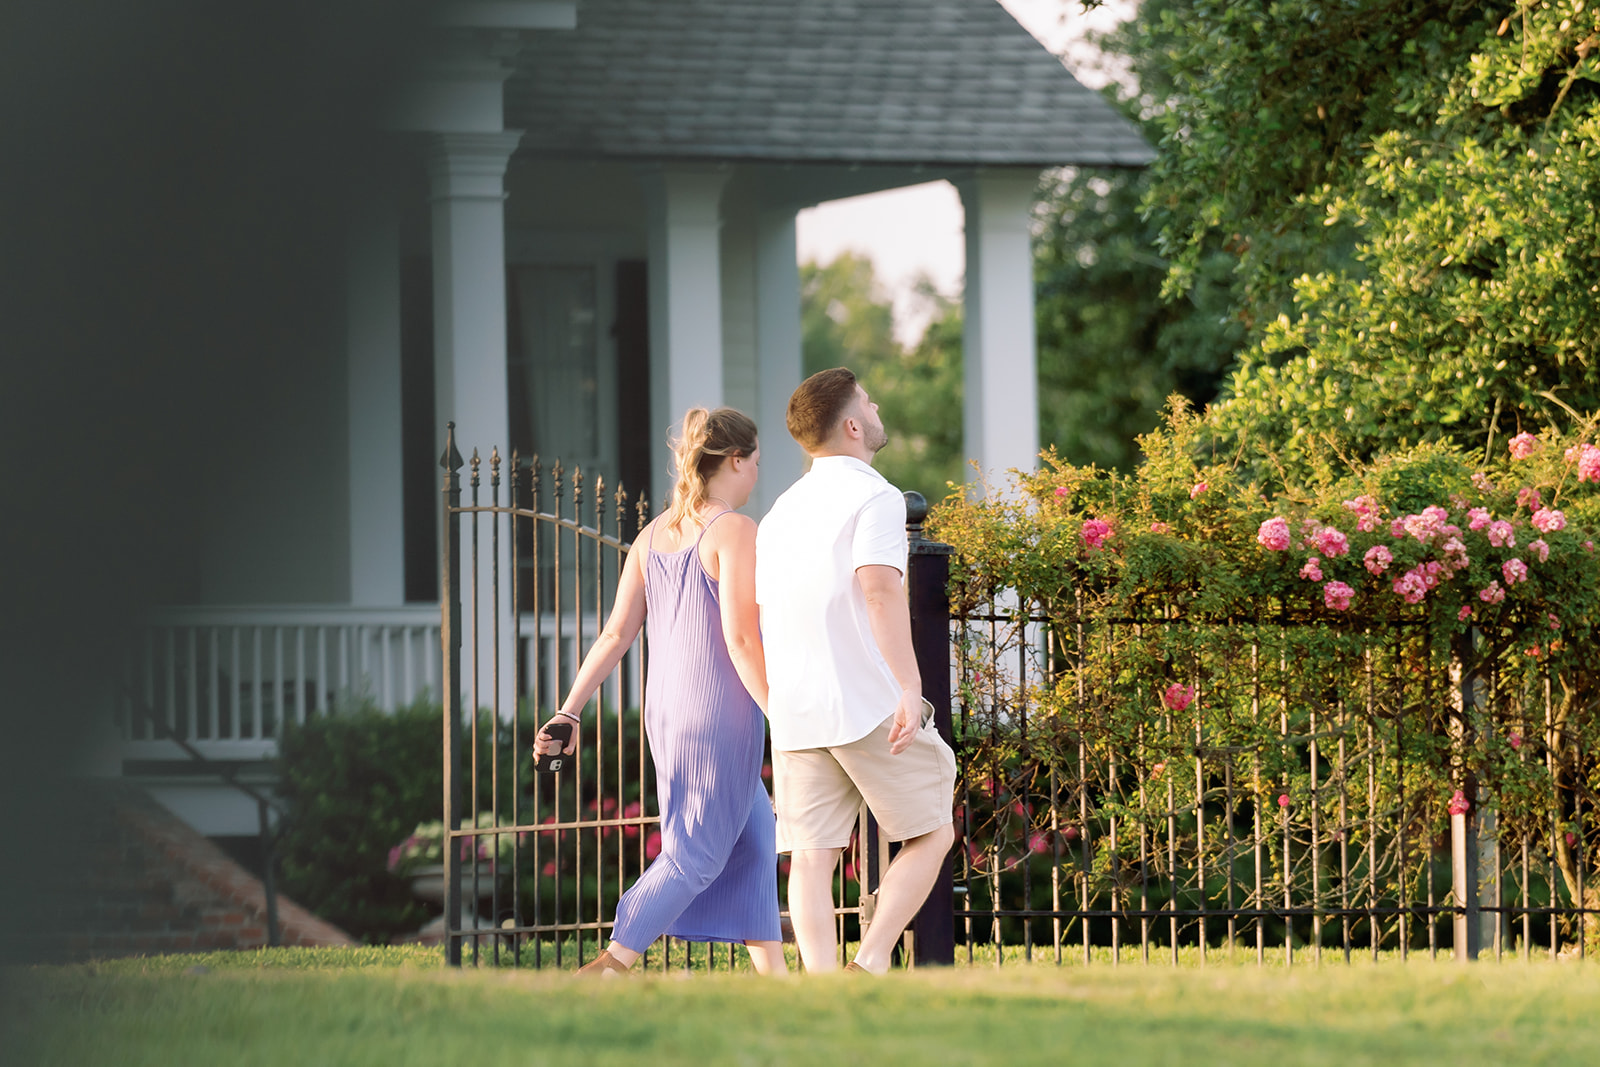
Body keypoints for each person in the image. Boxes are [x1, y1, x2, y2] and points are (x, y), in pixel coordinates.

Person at [533, 407, 786, 977]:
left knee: (754, 838)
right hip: (719, 714)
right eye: (755, 464)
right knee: (693, 854)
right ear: (734, 461)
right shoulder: (735, 530)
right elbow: (743, 639)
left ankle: (780, 986)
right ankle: (611, 965)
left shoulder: (653, 535)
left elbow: (615, 634)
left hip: (669, 714)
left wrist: (567, 712)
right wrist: (784, 716)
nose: (756, 477)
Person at [755, 367, 957, 975]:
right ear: (851, 425)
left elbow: (767, 614)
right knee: (933, 830)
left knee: (811, 857)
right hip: (863, 699)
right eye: (868, 402)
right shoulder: (876, 496)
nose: (876, 407)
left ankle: (821, 984)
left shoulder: (779, 513)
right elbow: (879, 592)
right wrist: (909, 686)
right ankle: (869, 963)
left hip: (796, 709)